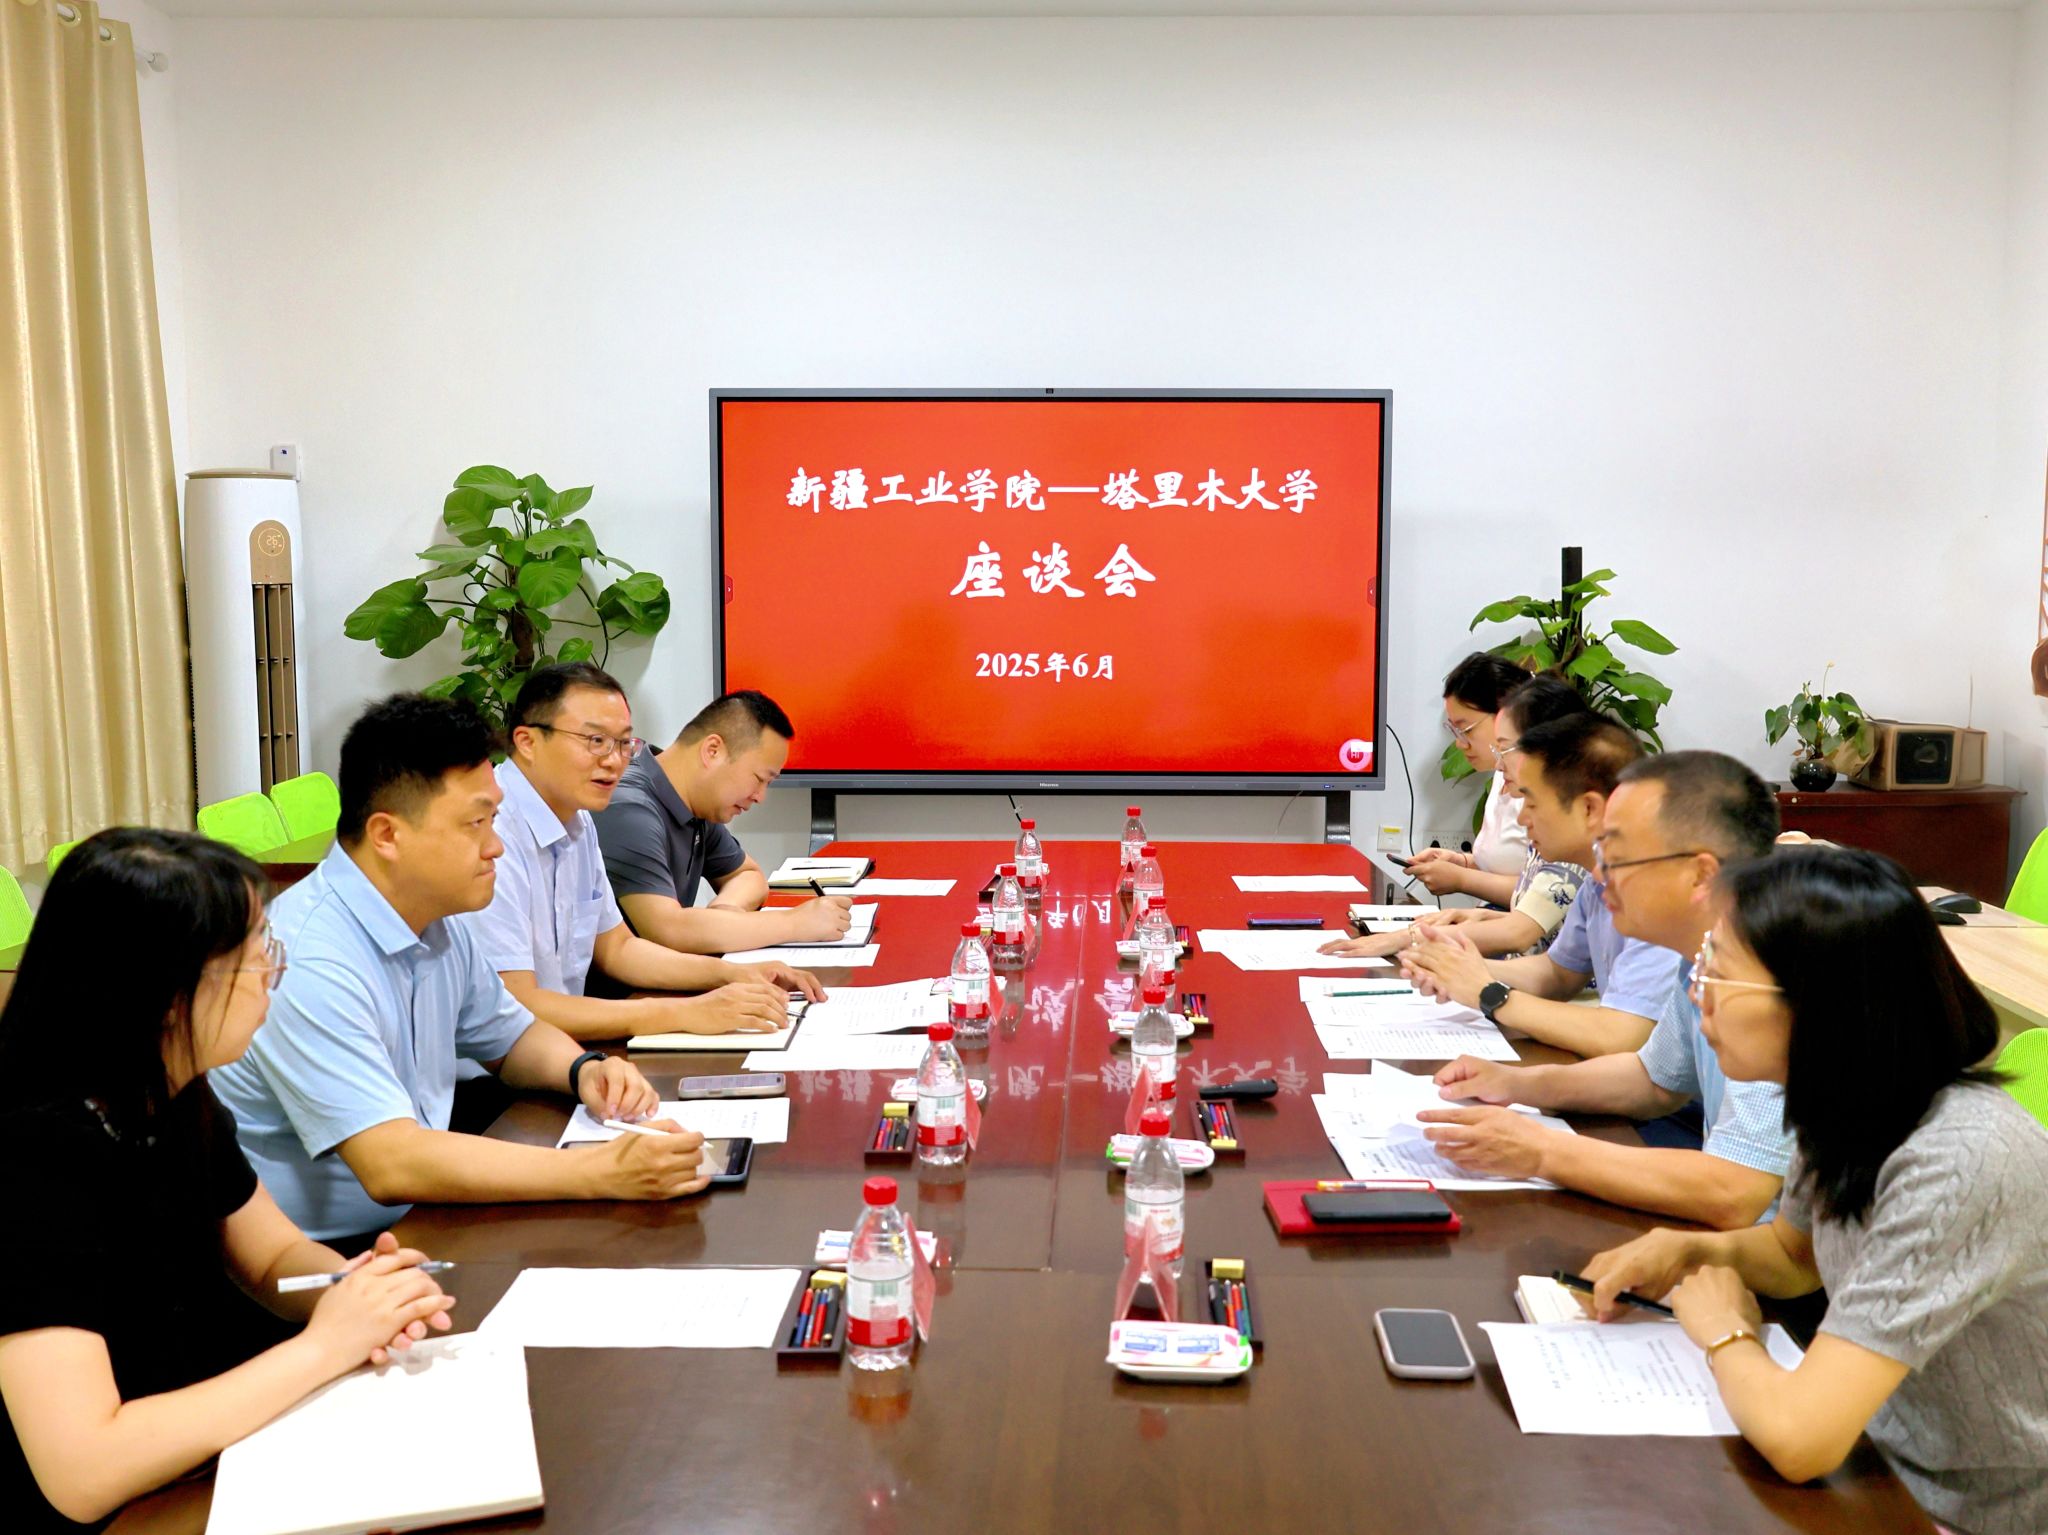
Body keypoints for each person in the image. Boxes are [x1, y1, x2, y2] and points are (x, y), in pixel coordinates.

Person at [1579, 848, 2048, 1532]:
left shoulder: (1957, 1158)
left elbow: (1801, 1440)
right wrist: (1687, 1251)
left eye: (1719, 971)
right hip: (1879, 1459)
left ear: (1816, 1001)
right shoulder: (1844, 1097)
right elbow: (1794, 1256)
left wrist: (1725, 1331)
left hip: (1970, 1510)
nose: (1698, 992)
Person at [0, 830, 456, 1531]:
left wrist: (354, 1289)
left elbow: (271, 1257)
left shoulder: (172, 1089)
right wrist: (325, 1344)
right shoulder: (32, 1156)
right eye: (253, 955)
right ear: (166, 993)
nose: (274, 970)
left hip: (199, 1448)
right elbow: (81, 1469)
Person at [211, 694, 713, 1248]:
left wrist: (584, 1071)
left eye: (493, 820)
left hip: (422, 1212)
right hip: (323, 1252)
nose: (495, 847)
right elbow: (391, 1163)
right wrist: (602, 1171)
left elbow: (511, 1038)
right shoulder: (307, 959)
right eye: (475, 823)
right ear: (387, 835)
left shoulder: (437, 919)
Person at [1415, 751, 1792, 1228]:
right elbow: (1654, 1081)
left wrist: (1543, 1150)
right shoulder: (1700, 953)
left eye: (1618, 855)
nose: (1597, 874)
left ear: (1700, 874)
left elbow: (1736, 1191)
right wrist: (1516, 1084)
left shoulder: (1770, 970)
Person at [466, 663, 824, 1042]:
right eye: (595, 740)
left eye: (623, 743)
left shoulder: (578, 819)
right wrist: (684, 1012)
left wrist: (734, 974)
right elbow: (519, 1006)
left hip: (558, 1045)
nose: (613, 760)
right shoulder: (491, 834)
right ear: (527, 742)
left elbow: (618, 948)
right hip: (499, 1065)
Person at [1403, 713, 1672, 1058]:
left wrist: (1487, 992)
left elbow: (1621, 1036)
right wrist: (1456, 966)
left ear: (1589, 808)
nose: (1522, 818)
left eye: (1532, 802)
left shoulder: (1659, 893)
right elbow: (1557, 974)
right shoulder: (1597, 882)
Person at [1320, 675, 1589, 961]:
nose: (1499, 764)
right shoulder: (1548, 818)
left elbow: (1522, 934)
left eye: (1505, 749)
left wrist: (1407, 939)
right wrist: (1477, 916)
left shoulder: (1571, 834)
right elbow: (1540, 922)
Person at [594, 690, 851, 955]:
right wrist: (795, 924)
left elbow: (748, 875)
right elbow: (668, 930)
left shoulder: (695, 803)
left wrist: (725, 913)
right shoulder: (628, 808)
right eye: (759, 779)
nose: (760, 797)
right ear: (712, 751)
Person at [1399, 653, 1532, 905]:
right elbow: (1503, 865)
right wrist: (1459, 861)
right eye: (1454, 731)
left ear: (1506, 715)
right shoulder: (1501, 773)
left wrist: (1461, 879)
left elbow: (1550, 893)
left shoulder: (1546, 786)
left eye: (1466, 730)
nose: (1460, 743)